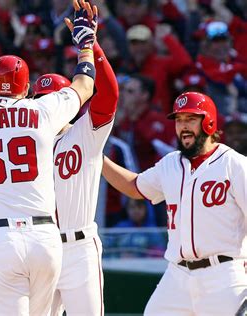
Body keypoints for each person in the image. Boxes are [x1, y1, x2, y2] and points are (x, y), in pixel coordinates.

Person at [0, 1, 98, 314]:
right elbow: (85, 84)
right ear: (28, 88)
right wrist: (86, 42)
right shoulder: (42, 110)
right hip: (45, 238)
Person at [102, 91, 247, 315]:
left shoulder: (234, 164)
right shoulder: (170, 163)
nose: (183, 126)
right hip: (177, 276)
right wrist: (97, 159)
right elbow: (134, 186)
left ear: (209, 122)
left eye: (190, 119)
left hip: (224, 274)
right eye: (179, 120)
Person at [33, 41, 118, 315]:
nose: (46, 104)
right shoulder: (28, 141)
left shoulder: (86, 132)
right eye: (39, 99)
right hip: (41, 247)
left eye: (52, 97)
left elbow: (110, 96)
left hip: (78, 247)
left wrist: (93, 48)